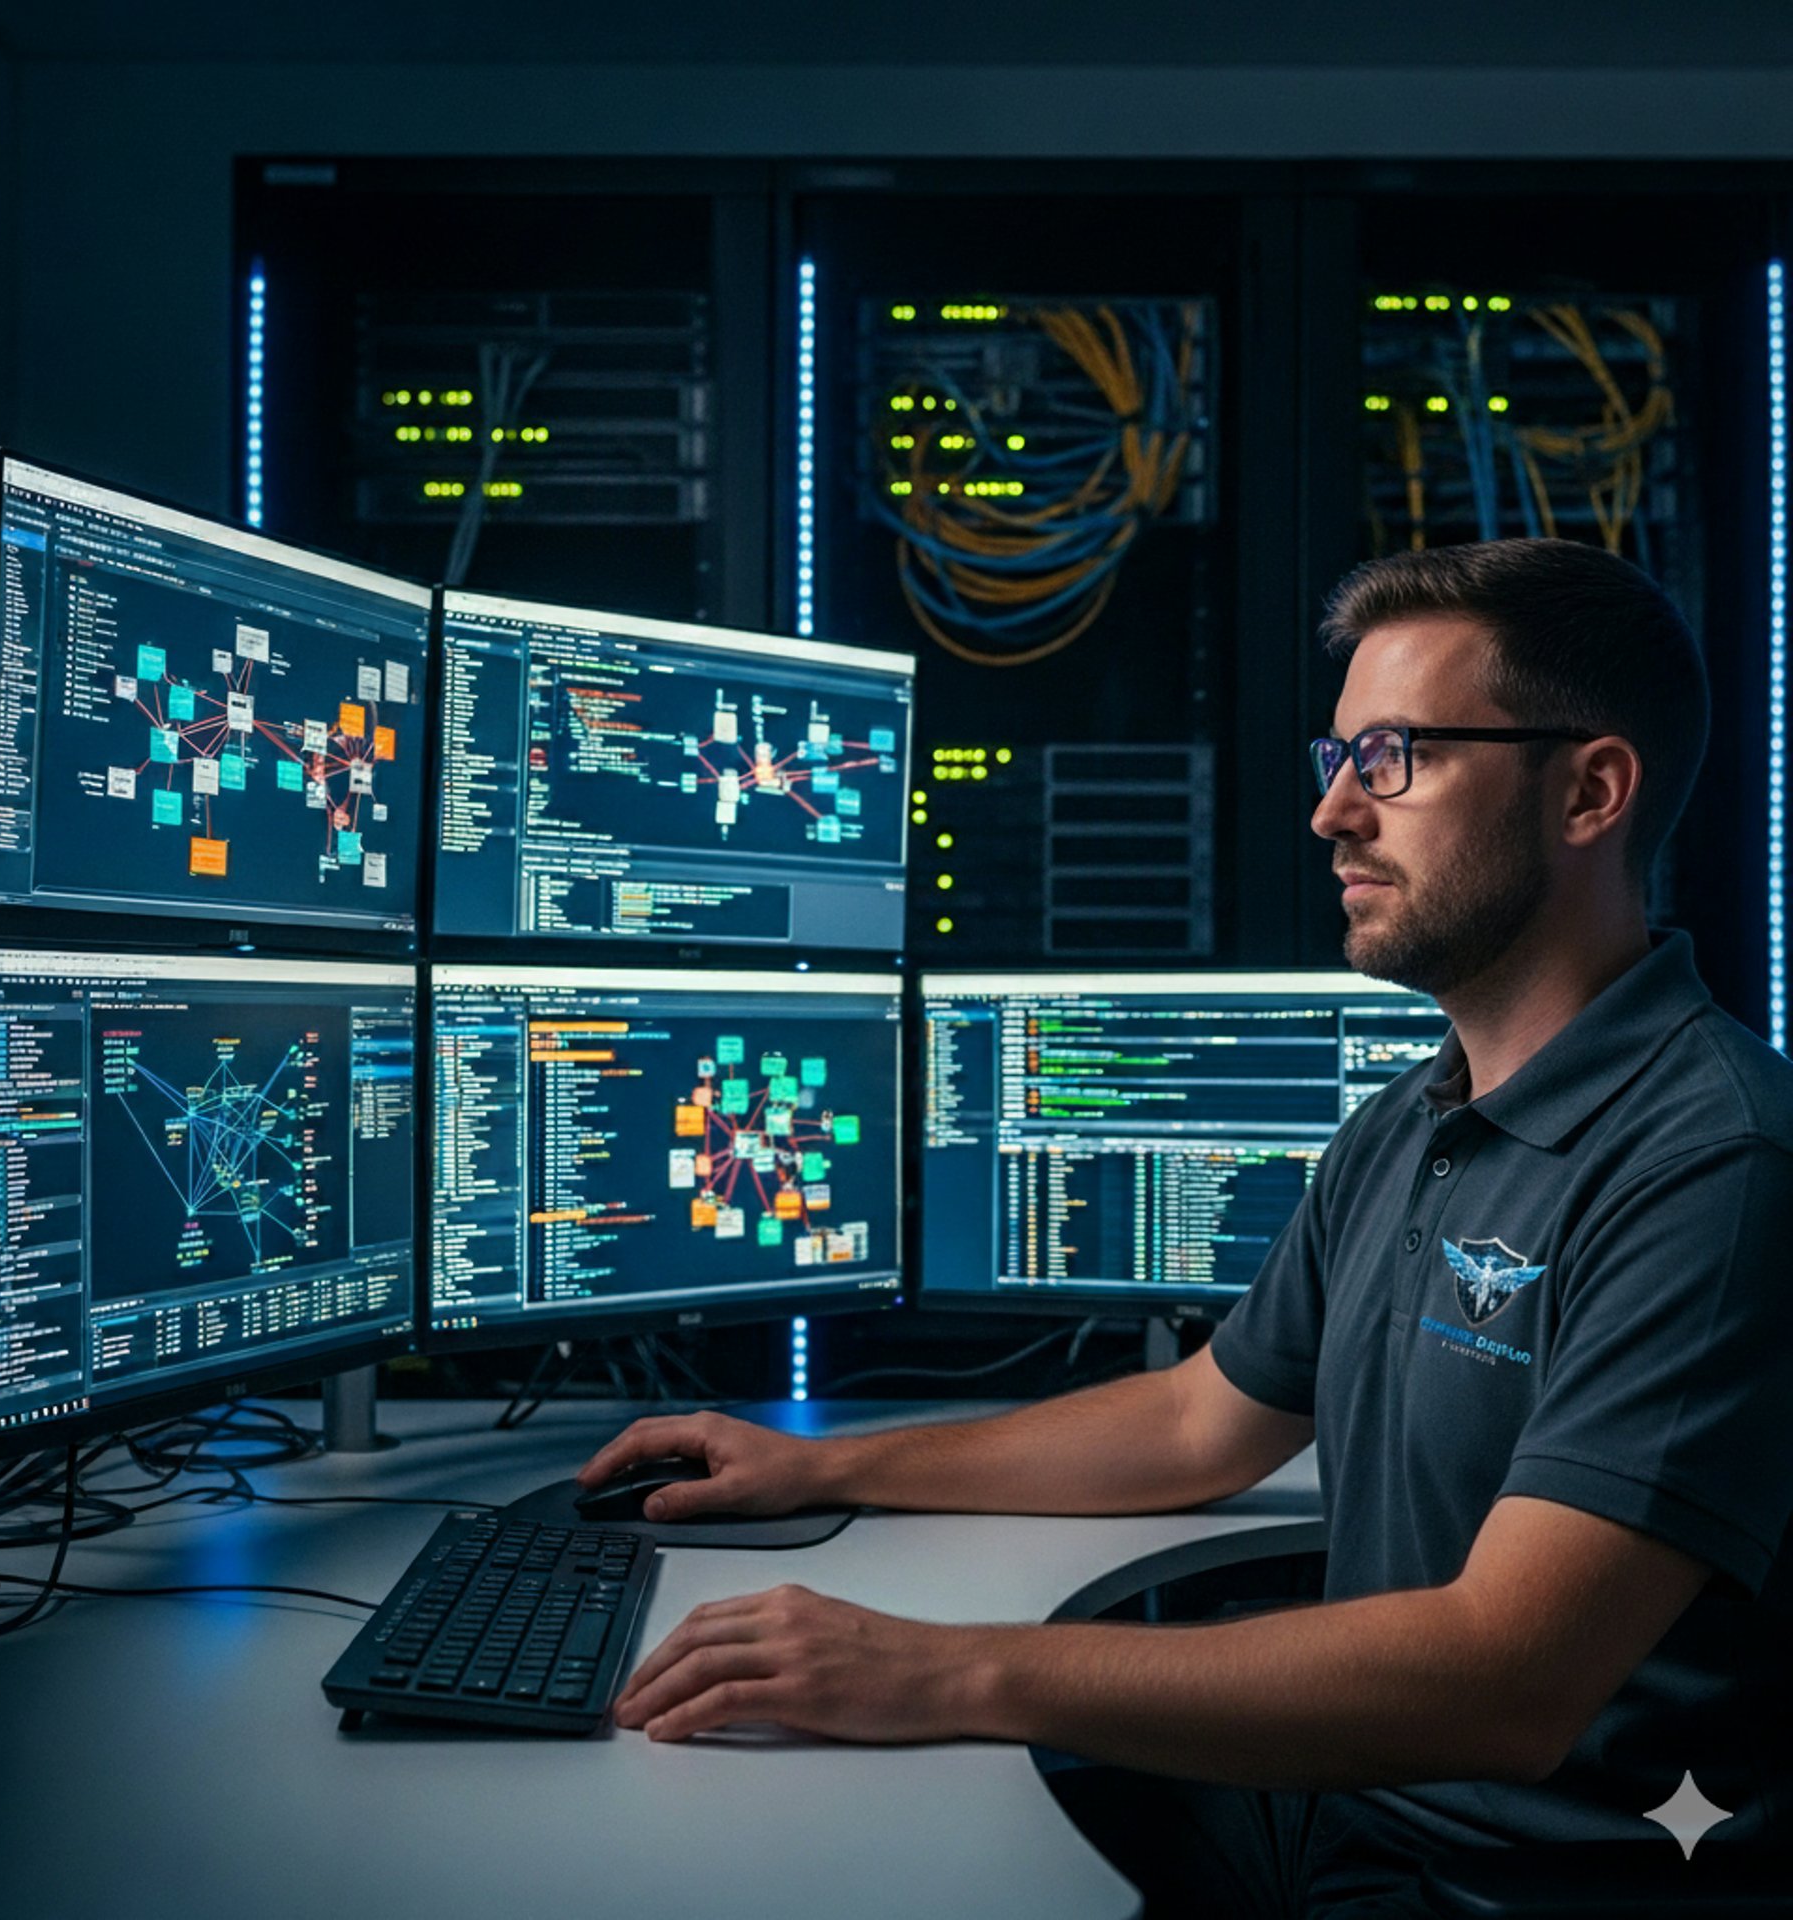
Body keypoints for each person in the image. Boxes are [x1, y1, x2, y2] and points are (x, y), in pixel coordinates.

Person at [577, 539, 1793, 1917]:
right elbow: (1198, 1423)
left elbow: (1504, 1678)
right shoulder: (1412, 1122)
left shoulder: (1717, 1164)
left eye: (1391, 757)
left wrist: (942, 1667)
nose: (1336, 812)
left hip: (1518, 1886)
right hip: (1355, 1813)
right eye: (1334, 758)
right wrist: (816, 1470)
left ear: (1590, 791)